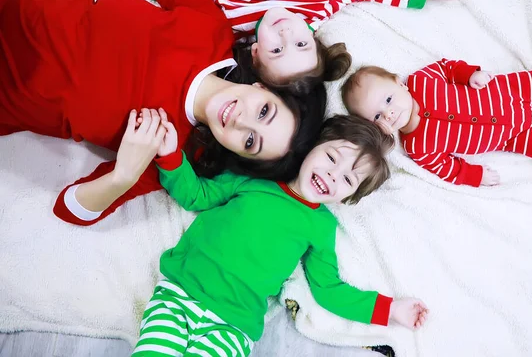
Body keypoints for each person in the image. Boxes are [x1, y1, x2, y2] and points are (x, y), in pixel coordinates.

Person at [0, 0, 325, 226]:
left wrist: (123, 176)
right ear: (263, 87)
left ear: (238, 154)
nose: (242, 121)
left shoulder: (169, 150)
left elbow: (69, 210)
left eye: (251, 142)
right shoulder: (212, 31)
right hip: (13, 7)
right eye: (264, 111)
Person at [114, 111, 427, 356]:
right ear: (311, 147)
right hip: (179, 296)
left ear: (348, 198)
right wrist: (170, 155)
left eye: (347, 180)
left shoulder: (321, 226)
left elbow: (328, 288)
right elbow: (196, 195)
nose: (333, 174)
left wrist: (391, 309)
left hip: (233, 326)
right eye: (331, 158)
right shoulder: (257, 178)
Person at [101, 0, 471, 86]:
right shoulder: (313, 10)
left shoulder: (231, 18)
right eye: (301, 43)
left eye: (278, 49)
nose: (286, 31)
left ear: (256, 52)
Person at [341, 61, 532, 186]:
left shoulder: (421, 81)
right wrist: (474, 175)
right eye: (376, 117)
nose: (387, 114)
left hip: (507, 92)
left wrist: (470, 74)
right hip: (511, 134)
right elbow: (448, 168)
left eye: (388, 99)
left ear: (398, 82)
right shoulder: (418, 148)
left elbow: (448, 68)